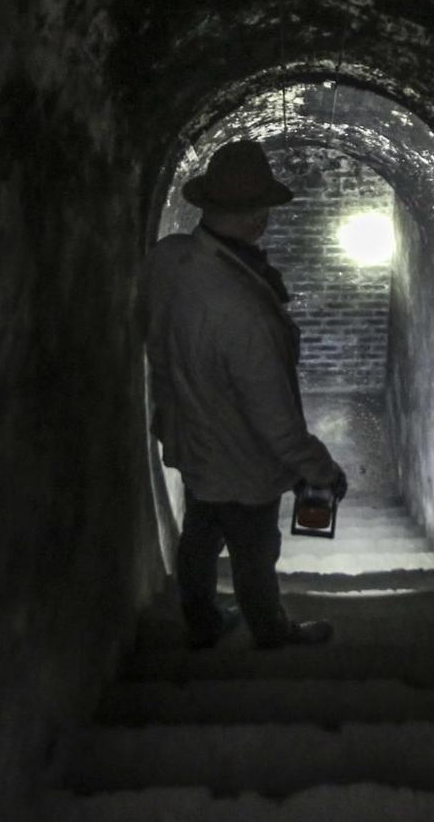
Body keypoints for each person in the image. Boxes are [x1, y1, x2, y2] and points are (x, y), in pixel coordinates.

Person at [141, 140, 347, 649]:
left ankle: (203, 621)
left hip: (193, 441)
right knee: (256, 554)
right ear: (258, 217)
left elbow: (154, 338)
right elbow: (274, 419)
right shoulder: (242, 314)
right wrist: (319, 468)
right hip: (240, 464)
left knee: (200, 535)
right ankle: (272, 633)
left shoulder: (168, 258)